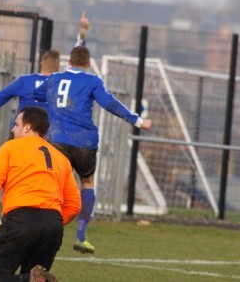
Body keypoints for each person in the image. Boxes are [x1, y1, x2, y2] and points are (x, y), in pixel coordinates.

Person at [33, 46, 152, 254]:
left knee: (52, 183)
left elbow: (36, 94)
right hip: (84, 143)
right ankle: (80, 235)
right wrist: (138, 120)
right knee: (87, 182)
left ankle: (40, 229)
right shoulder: (92, 81)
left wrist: (55, 103)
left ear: (68, 62)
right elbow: (109, 103)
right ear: (88, 64)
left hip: (57, 141)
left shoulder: (54, 79)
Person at [0, 106, 81, 282]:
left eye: (16, 124)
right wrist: (49, 222)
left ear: (27, 128)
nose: (12, 129)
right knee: (38, 277)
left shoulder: (10, 147)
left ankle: (27, 279)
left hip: (21, 220)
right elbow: (74, 205)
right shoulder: (61, 158)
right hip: (53, 225)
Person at [0, 11, 90, 138]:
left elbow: (0, 98)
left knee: (8, 155)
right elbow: (76, 61)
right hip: (46, 135)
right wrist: (82, 34)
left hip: (21, 133)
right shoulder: (61, 83)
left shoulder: (24, 81)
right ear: (58, 67)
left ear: (41, 63)